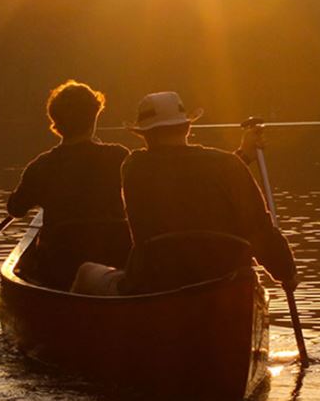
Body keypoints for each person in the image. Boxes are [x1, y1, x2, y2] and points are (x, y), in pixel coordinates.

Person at [71, 91, 296, 296]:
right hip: (224, 281)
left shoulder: (134, 167)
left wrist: (241, 158)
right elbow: (259, 229)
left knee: (86, 272)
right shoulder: (228, 166)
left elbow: (182, 176)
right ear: (187, 127)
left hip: (156, 284)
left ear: (143, 135)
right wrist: (286, 272)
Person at [6, 80, 131, 288]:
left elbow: (15, 209)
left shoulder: (41, 166)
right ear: (94, 117)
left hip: (61, 265)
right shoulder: (119, 156)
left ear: (55, 123)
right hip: (115, 258)